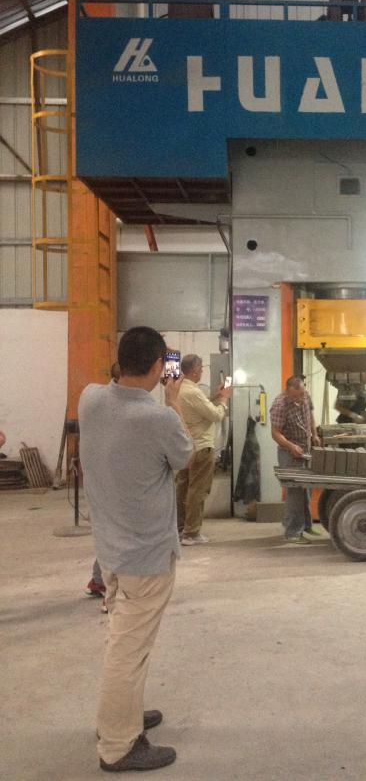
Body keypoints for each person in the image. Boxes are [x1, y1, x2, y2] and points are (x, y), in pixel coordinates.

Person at [79, 326, 193, 772]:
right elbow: (185, 457)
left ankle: (121, 715)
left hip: (111, 550)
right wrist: (174, 399)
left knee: (126, 641)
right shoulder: (159, 419)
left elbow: (115, 386)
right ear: (158, 367)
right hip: (145, 558)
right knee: (127, 651)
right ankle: (118, 745)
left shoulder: (90, 399)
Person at [175, 354, 231, 546]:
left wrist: (215, 396)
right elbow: (215, 415)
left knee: (183, 489)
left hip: (185, 447)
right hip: (201, 447)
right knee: (197, 491)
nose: (202, 371)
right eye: (201, 368)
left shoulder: (180, 389)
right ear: (194, 370)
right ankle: (191, 533)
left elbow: (199, 406)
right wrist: (224, 400)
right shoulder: (193, 392)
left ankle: (180, 528)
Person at [84, 362, 122, 611]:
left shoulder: (93, 398)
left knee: (109, 534)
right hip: (114, 484)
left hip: (100, 482)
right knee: (118, 538)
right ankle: (112, 595)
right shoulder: (122, 408)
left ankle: (98, 581)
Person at [270, 376, 321, 544]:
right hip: (289, 453)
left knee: (306, 490)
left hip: (305, 450)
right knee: (294, 492)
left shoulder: (305, 395)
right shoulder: (280, 405)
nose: (299, 399)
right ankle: (292, 533)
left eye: (301, 395)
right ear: (287, 391)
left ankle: (305, 526)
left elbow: (310, 415)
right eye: (295, 396)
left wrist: (314, 434)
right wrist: (291, 446)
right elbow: (275, 433)